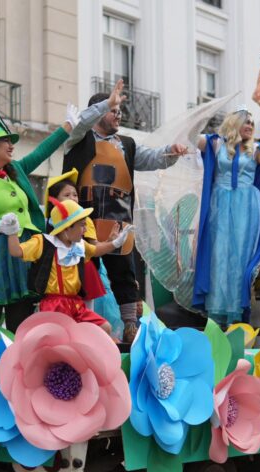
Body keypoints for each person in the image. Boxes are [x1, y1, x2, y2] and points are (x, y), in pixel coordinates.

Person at [63, 80, 188, 342]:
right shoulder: (77, 139)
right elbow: (82, 122)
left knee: (124, 276)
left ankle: (131, 327)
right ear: (98, 111)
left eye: (119, 110)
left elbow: (153, 158)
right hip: (82, 223)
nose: (119, 114)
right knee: (81, 275)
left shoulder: (127, 145)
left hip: (118, 223)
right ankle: (80, 326)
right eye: (113, 110)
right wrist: (105, 104)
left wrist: (171, 153)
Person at [0, 104, 81, 332]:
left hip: (24, 253)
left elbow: (41, 152)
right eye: (5, 141)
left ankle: (18, 366)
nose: (11, 145)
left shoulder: (16, 171)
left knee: (22, 323)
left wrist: (66, 128)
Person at [192, 108, 260, 325]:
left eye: (252, 123)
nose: (250, 126)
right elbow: (189, 137)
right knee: (218, 255)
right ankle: (216, 316)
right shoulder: (215, 144)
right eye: (246, 122)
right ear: (234, 124)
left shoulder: (257, 149)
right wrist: (202, 112)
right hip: (219, 205)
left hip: (245, 207)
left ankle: (235, 316)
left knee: (239, 258)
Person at [3, 198, 133, 335]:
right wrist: (12, 233)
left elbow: (96, 251)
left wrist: (116, 243)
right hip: (53, 305)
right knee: (60, 337)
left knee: (104, 327)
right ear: (67, 227)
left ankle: (83, 355)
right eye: (82, 225)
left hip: (76, 304)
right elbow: (16, 251)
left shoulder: (79, 245)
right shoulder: (43, 243)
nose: (85, 230)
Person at [44, 170, 107, 307]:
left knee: (86, 313)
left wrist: (112, 243)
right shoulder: (47, 222)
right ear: (54, 200)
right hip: (57, 273)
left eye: (75, 195)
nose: (72, 198)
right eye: (67, 195)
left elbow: (94, 247)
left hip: (82, 270)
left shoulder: (85, 220)